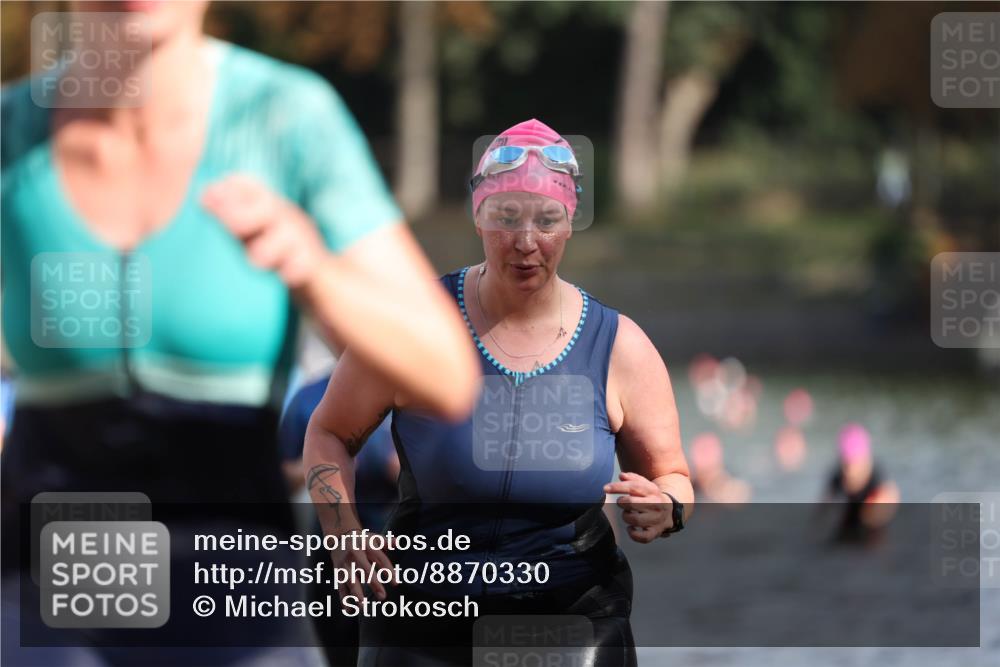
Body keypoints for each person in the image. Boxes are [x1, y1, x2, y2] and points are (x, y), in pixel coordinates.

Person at [1, 2, 476, 663]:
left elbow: (447, 376)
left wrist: (315, 272)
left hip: (233, 580)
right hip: (50, 577)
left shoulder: (285, 116)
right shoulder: (12, 130)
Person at [304, 119, 694, 666]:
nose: (526, 242)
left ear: (569, 223)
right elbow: (329, 432)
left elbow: (674, 476)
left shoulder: (619, 347)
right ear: (478, 217)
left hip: (571, 612)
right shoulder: (414, 324)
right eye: (506, 218)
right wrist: (342, 531)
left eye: (547, 220)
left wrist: (667, 508)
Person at [823, 423, 899, 543]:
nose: (849, 472)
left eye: (853, 465)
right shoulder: (837, 477)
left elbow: (891, 496)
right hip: (849, 518)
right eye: (846, 465)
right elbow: (824, 508)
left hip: (872, 523)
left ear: (866, 461)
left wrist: (879, 508)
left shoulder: (877, 479)